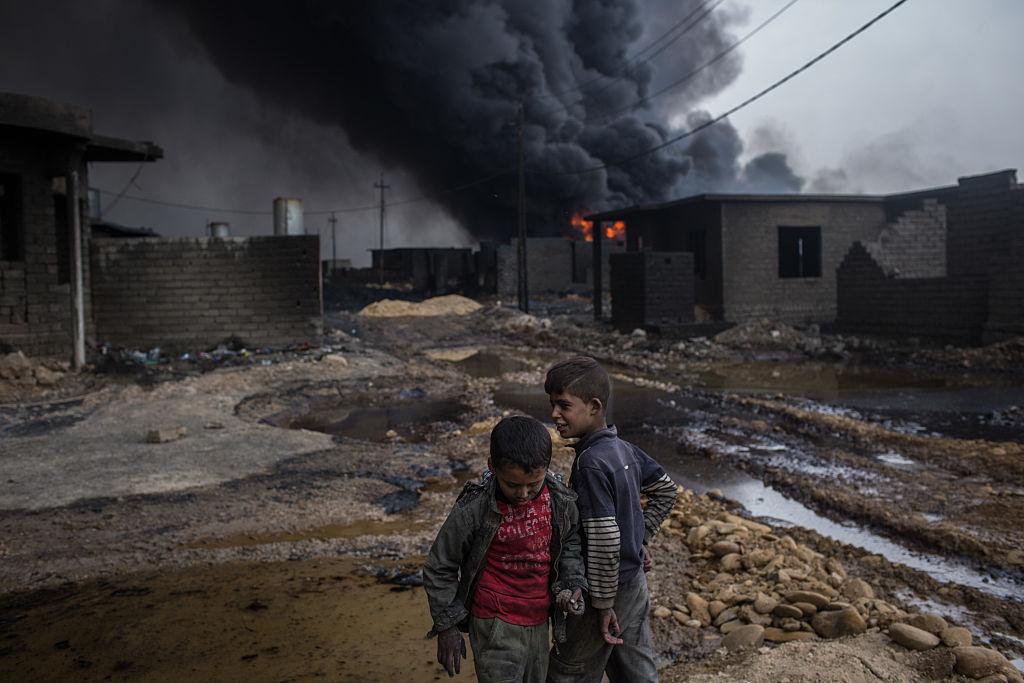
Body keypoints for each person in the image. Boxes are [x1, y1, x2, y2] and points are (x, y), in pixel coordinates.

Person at [424, 415, 589, 682]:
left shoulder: (559, 502)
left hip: (538, 621)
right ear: (492, 466)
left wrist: (571, 582)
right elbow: (439, 565)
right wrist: (447, 626)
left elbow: (570, 543)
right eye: (512, 484)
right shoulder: (475, 507)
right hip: (494, 623)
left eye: (533, 484)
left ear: (547, 468)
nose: (523, 494)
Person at [544, 356, 678, 683]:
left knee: (569, 672)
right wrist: (639, 539)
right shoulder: (623, 449)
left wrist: (603, 605)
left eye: (563, 405)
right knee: (636, 670)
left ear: (594, 406)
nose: (554, 414)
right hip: (635, 584)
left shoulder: (590, 464)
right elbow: (666, 490)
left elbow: (603, 540)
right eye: (552, 404)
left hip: (604, 593)